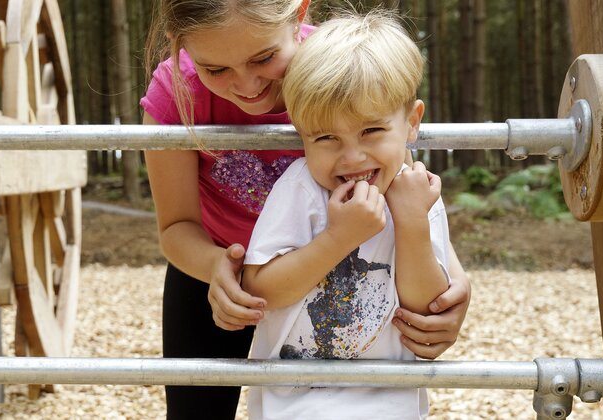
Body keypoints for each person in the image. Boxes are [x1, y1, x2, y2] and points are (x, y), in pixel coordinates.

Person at [141, 1, 471, 418]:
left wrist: (455, 282)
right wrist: (221, 271)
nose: (245, 85)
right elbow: (176, 226)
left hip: (346, 262)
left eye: (263, 58)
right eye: (216, 70)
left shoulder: (339, 66)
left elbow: (399, 172)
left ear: (299, 16)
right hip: (215, 267)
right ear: (180, 42)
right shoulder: (177, 92)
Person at [241, 10, 448, 419]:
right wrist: (340, 238)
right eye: (326, 138)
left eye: (371, 131)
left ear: (411, 122)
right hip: (297, 401)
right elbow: (261, 289)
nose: (351, 157)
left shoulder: (416, 193)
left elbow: (425, 309)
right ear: (302, 136)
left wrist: (411, 223)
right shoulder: (302, 189)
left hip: (392, 398)